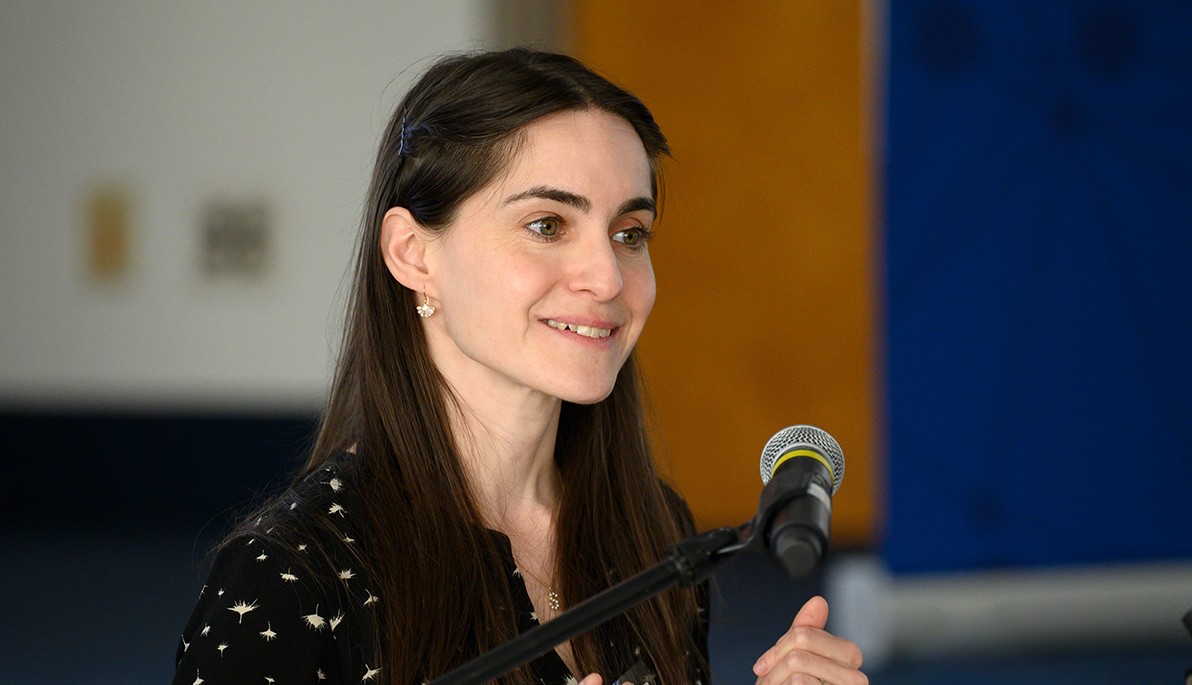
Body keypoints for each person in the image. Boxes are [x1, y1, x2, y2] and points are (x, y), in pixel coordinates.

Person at [171, 48, 866, 685]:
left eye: (630, 233)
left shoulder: (654, 530)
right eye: (547, 225)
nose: (606, 276)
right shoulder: (289, 577)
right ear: (414, 254)